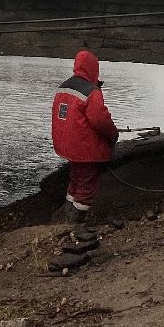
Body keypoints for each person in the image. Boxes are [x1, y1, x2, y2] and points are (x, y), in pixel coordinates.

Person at [50, 49, 119, 224]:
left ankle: (67, 218)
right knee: (87, 186)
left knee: (75, 181)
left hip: (68, 146)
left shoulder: (63, 87)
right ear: (93, 68)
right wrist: (114, 135)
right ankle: (75, 225)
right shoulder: (91, 91)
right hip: (85, 149)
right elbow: (101, 120)